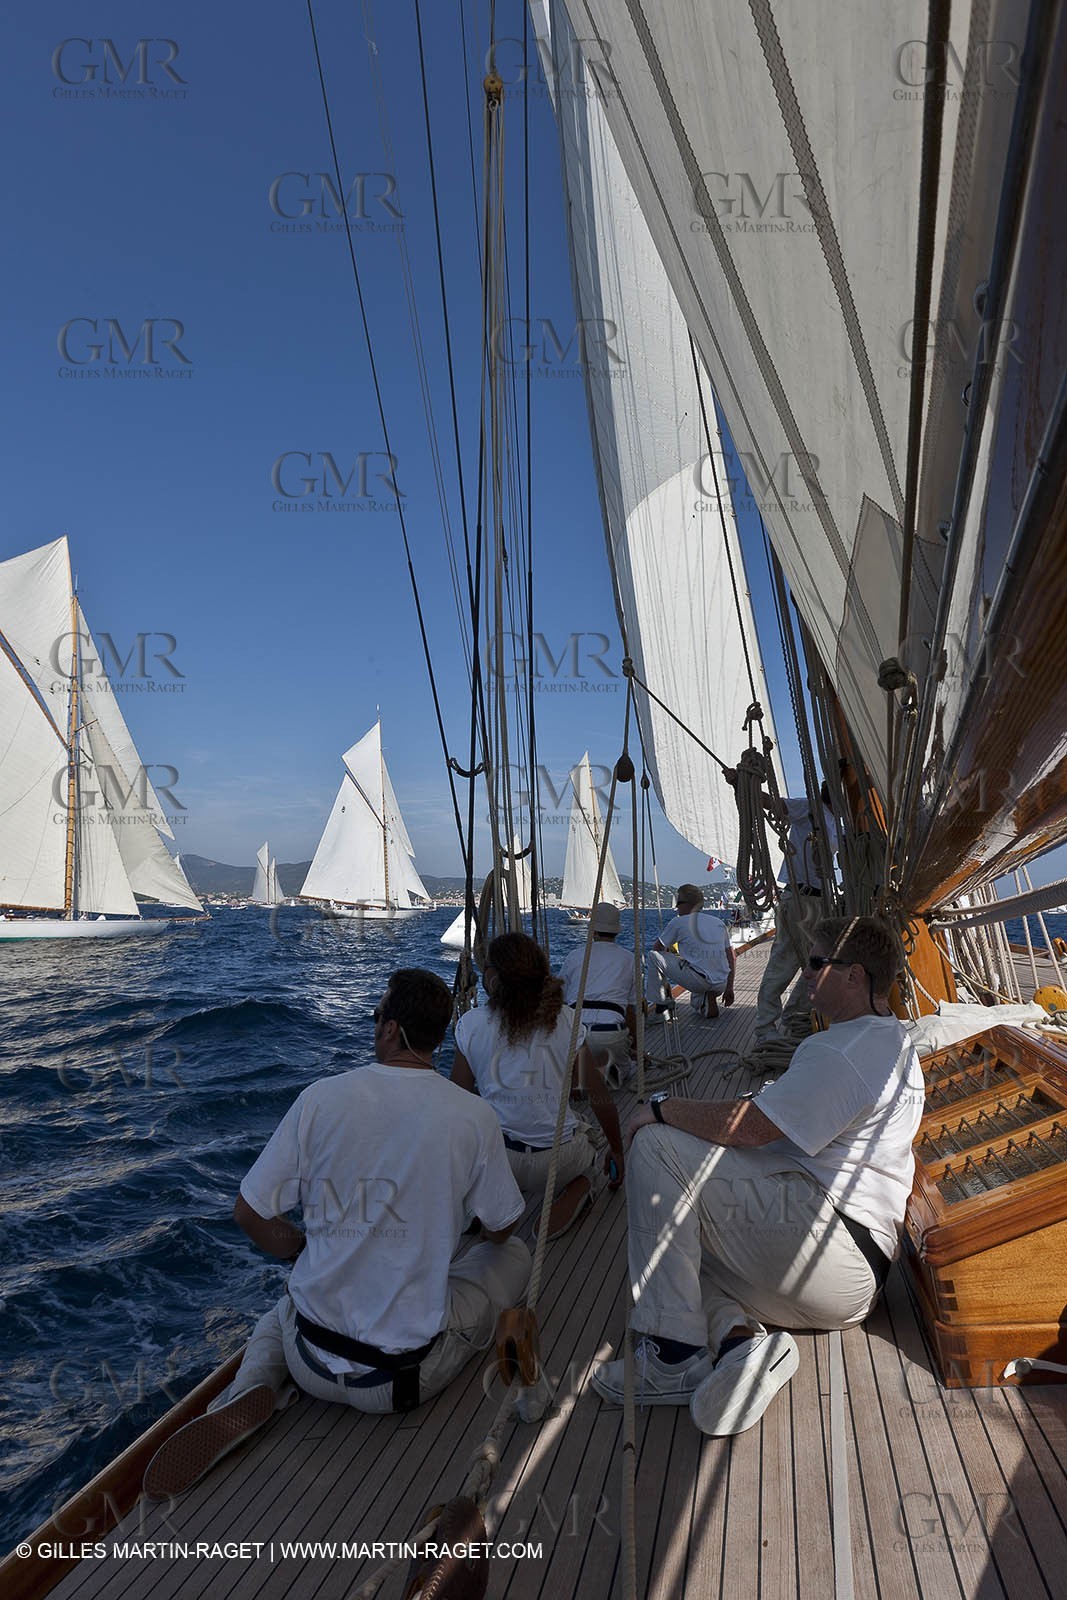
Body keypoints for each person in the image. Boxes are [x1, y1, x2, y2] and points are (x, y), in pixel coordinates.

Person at [144, 969, 530, 1498]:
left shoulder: (320, 1098)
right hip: (399, 1381)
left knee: (285, 1308)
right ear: (439, 1036)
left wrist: (302, 1249)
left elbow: (250, 1214)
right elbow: (503, 1227)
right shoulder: (473, 1116)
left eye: (376, 1018)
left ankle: (251, 1387)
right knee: (513, 1256)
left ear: (390, 1029)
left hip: (309, 1359)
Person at [591, 916, 923, 1436]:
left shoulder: (844, 1049)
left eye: (816, 963)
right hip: (851, 1277)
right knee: (675, 1255)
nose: (805, 973)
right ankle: (739, 1343)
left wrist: (659, 1107)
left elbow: (752, 1128)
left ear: (854, 976)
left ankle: (672, 1360)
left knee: (656, 1146)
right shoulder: (888, 1038)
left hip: (830, 1245)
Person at [452, 932, 625, 1239]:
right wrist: (617, 1149)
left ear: (491, 976)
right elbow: (597, 1094)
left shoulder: (470, 1024)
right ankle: (582, 1186)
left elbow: (459, 1106)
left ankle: (491, 1204)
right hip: (558, 1161)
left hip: (502, 1159)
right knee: (590, 1146)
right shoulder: (567, 1020)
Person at [724, 771, 839, 1045]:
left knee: (820, 962)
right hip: (799, 899)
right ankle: (765, 1027)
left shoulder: (838, 822)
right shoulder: (810, 808)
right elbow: (773, 804)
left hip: (822, 900)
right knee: (783, 964)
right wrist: (744, 784)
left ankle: (796, 1015)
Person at [558, 902, 638, 1087]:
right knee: (628, 1067)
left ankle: (577, 1076)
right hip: (610, 1034)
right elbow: (631, 1010)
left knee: (571, 1064)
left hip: (576, 1035)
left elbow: (560, 1000)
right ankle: (610, 1072)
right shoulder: (629, 959)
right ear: (616, 931)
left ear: (592, 930)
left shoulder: (574, 956)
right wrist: (634, 1047)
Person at [646, 884, 735, 1018]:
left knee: (653, 956)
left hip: (700, 982)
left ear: (688, 904)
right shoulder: (718, 922)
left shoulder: (678, 922)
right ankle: (706, 1001)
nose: (676, 907)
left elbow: (657, 949)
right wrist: (729, 988)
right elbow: (731, 957)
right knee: (695, 1002)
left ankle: (661, 1009)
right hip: (721, 984)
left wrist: (669, 963)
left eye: (679, 903)